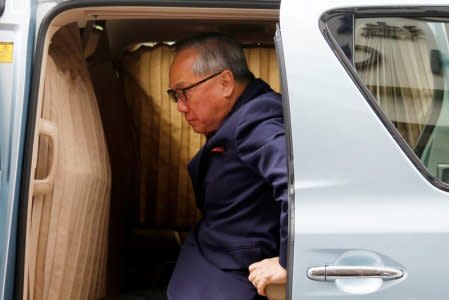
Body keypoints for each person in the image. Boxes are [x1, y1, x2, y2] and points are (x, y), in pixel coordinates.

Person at [166, 33, 288, 300]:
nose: (181, 107)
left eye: (184, 92)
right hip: (208, 261)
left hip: (230, 277)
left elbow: (296, 184)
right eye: (175, 96)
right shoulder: (244, 112)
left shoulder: (256, 121)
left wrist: (289, 262)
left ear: (225, 82)